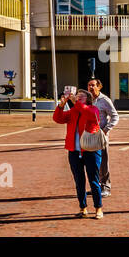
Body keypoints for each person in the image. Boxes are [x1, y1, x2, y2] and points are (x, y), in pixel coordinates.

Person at [53, 87, 104, 219]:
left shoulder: (93, 109)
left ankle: (98, 208)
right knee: (79, 181)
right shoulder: (73, 111)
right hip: (74, 151)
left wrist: (76, 102)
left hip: (91, 150)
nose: (78, 97)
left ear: (88, 99)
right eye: (77, 96)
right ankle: (83, 208)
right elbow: (58, 118)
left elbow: (89, 114)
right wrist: (61, 105)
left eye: (81, 96)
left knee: (94, 180)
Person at [85, 77, 119, 195]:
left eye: (93, 85)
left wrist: (106, 130)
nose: (91, 87)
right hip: (89, 135)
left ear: (99, 86)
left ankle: (106, 187)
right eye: (89, 85)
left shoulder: (105, 100)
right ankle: (96, 186)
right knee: (92, 162)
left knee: (103, 161)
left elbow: (115, 116)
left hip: (101, 135)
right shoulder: (87, 101)